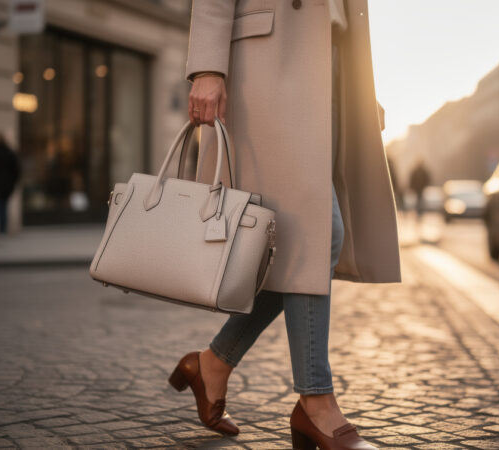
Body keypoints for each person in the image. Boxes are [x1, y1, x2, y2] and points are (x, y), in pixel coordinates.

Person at [170, 1, 401, 448]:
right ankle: (316, 401)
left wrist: (359, 86)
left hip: (332, 63)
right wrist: (208, 67)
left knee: (295, 245)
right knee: (318, 234)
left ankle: (212, 364)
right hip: (268, 63)